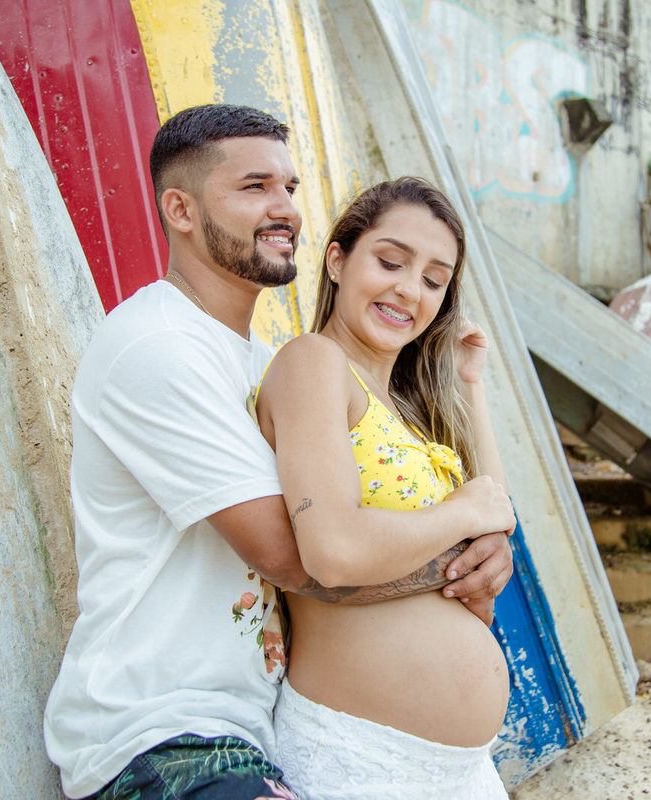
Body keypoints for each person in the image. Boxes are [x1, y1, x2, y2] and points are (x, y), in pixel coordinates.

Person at [42, 104, 516, 800]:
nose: (285, 208)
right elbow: (304, 559)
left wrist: (486, 543)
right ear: (180, 209)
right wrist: (463, 551)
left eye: (290, 188)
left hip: (253, 720)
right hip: (164, 730)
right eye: (254, 186)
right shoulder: (158, 348)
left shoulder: (260, 361)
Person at [254, 177, 513, 799]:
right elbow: (334, 549)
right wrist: (461, 518)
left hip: (461, 771)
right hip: (360, 754)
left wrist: (469, 383)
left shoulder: (404, 409)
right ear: (337, 260)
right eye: (391, 262)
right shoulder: (313, 362)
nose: (409, 290)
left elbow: (494, 513)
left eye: (433, 280)